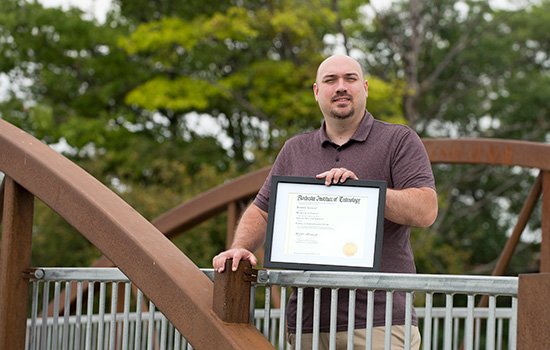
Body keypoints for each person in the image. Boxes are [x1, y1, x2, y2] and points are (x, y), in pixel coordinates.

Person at [212, 54, 438, 350]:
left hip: (379, 322)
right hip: (307, 324)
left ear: (365, 88)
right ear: (317, 92)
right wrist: (240, 247)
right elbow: (264, 211)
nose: (341, 87)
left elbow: (426, 209)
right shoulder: (295, 149)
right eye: (331, 80)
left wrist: (365, 194)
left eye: (350, 79)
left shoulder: (398, 139)